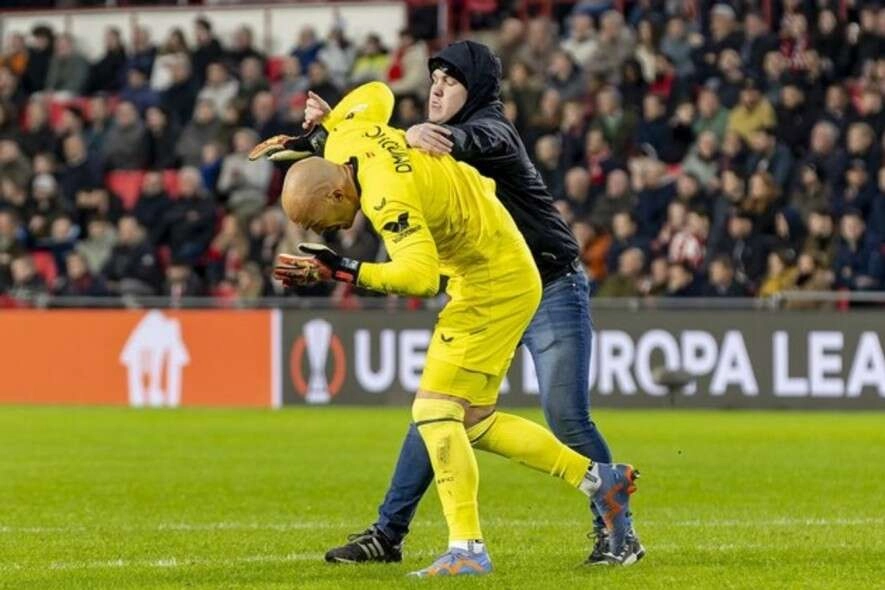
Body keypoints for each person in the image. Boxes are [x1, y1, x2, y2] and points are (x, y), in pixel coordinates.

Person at [253, 40, 639, 566]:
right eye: (433, 79)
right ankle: (391, 533)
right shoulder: (360, 141)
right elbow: (375, 94)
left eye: (450, 82)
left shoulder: (488, 130)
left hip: (545, 282)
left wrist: (342, 268)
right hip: (488, 276)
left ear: (474, 89)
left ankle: (605, 532)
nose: (436, 89)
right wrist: (328, 125)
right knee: (459, 416)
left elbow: (422, 265)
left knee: (550, 416)